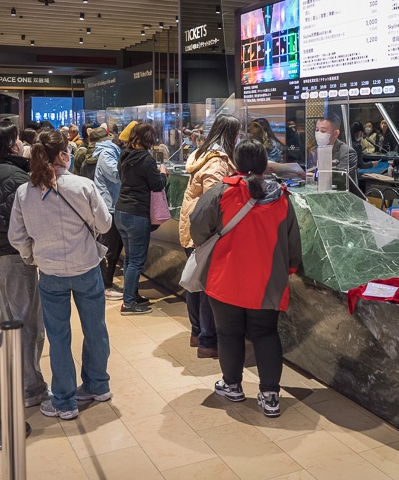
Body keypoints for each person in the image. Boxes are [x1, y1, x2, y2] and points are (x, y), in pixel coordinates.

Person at [189, 139, 301, 418]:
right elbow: (293, 245)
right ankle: (271, 396)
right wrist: (287, 270)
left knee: (229, 334)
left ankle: (232, 385)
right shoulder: (282, 197)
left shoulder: (220, 193)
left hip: (225, 279)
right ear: (265, 163)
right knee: (265, 334)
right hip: (267, 283)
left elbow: (198, 228)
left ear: (236, 163)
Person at [9, 129, 113, 421]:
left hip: (51, 272)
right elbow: (104, 225)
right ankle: (97, 385)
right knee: (96, 329)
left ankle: (64, 401)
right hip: (87, 267)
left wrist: (32, 256)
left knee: (58, 337)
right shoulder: (83, 186)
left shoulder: (24, 192)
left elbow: (16, 236)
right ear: (64, 155)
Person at [0, 120, 48, 408]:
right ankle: (31, 387)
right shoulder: (14, 177)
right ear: (9, 144)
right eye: (16, 139)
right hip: (14, 257)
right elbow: (19, 223)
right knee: (27, 322)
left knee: (11, 318)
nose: (20, 143)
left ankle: (16, 376)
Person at [179, 114, 240, 359]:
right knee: (206, 285)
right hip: (204, 229)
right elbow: (213, 200)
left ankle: (197, 333)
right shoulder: (217, 162)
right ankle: (208, 340)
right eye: (236, 134)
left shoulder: (202, 153)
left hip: (192, 224)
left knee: (195, 281)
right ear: (230, 136)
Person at [114, 123, 168, 315]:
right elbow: (156, 185)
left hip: (121, 211)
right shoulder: (145, 159)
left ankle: (132, 295)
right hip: (137, 213)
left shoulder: (125, 154)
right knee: (136, 261)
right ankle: (128, 304)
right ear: (149, 139)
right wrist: (162, 173)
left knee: (130, 258)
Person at [93, 129, 125, 300]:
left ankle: (107, 282)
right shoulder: (107, 154)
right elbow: (115, 175)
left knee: (114, 248)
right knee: (109, 249)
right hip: (108, 207)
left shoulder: (112, 152)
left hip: (113, 205)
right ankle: (104, 286)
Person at [306, 115, 359, 192]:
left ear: (336, 133)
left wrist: (315, 177)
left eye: (323, 131)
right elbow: (310, 172)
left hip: (341, 197)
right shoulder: (314, 150)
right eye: (317, 130)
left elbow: (342, 179)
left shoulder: (347, 152)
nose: (318, 134)